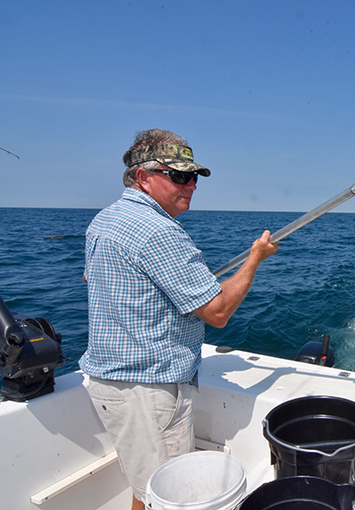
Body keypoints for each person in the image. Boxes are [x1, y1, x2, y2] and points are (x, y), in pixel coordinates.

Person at [79, 128, 278, 510]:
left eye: (193, 177)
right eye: (179, 176)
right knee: (168, 498)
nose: (190, 186)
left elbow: (94, 278)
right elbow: (218, 312)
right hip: (148, 392)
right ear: (143, 176)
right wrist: (255, 259)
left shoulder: (104, 221)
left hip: (112, 383)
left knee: (147, 490)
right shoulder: (158, 232)